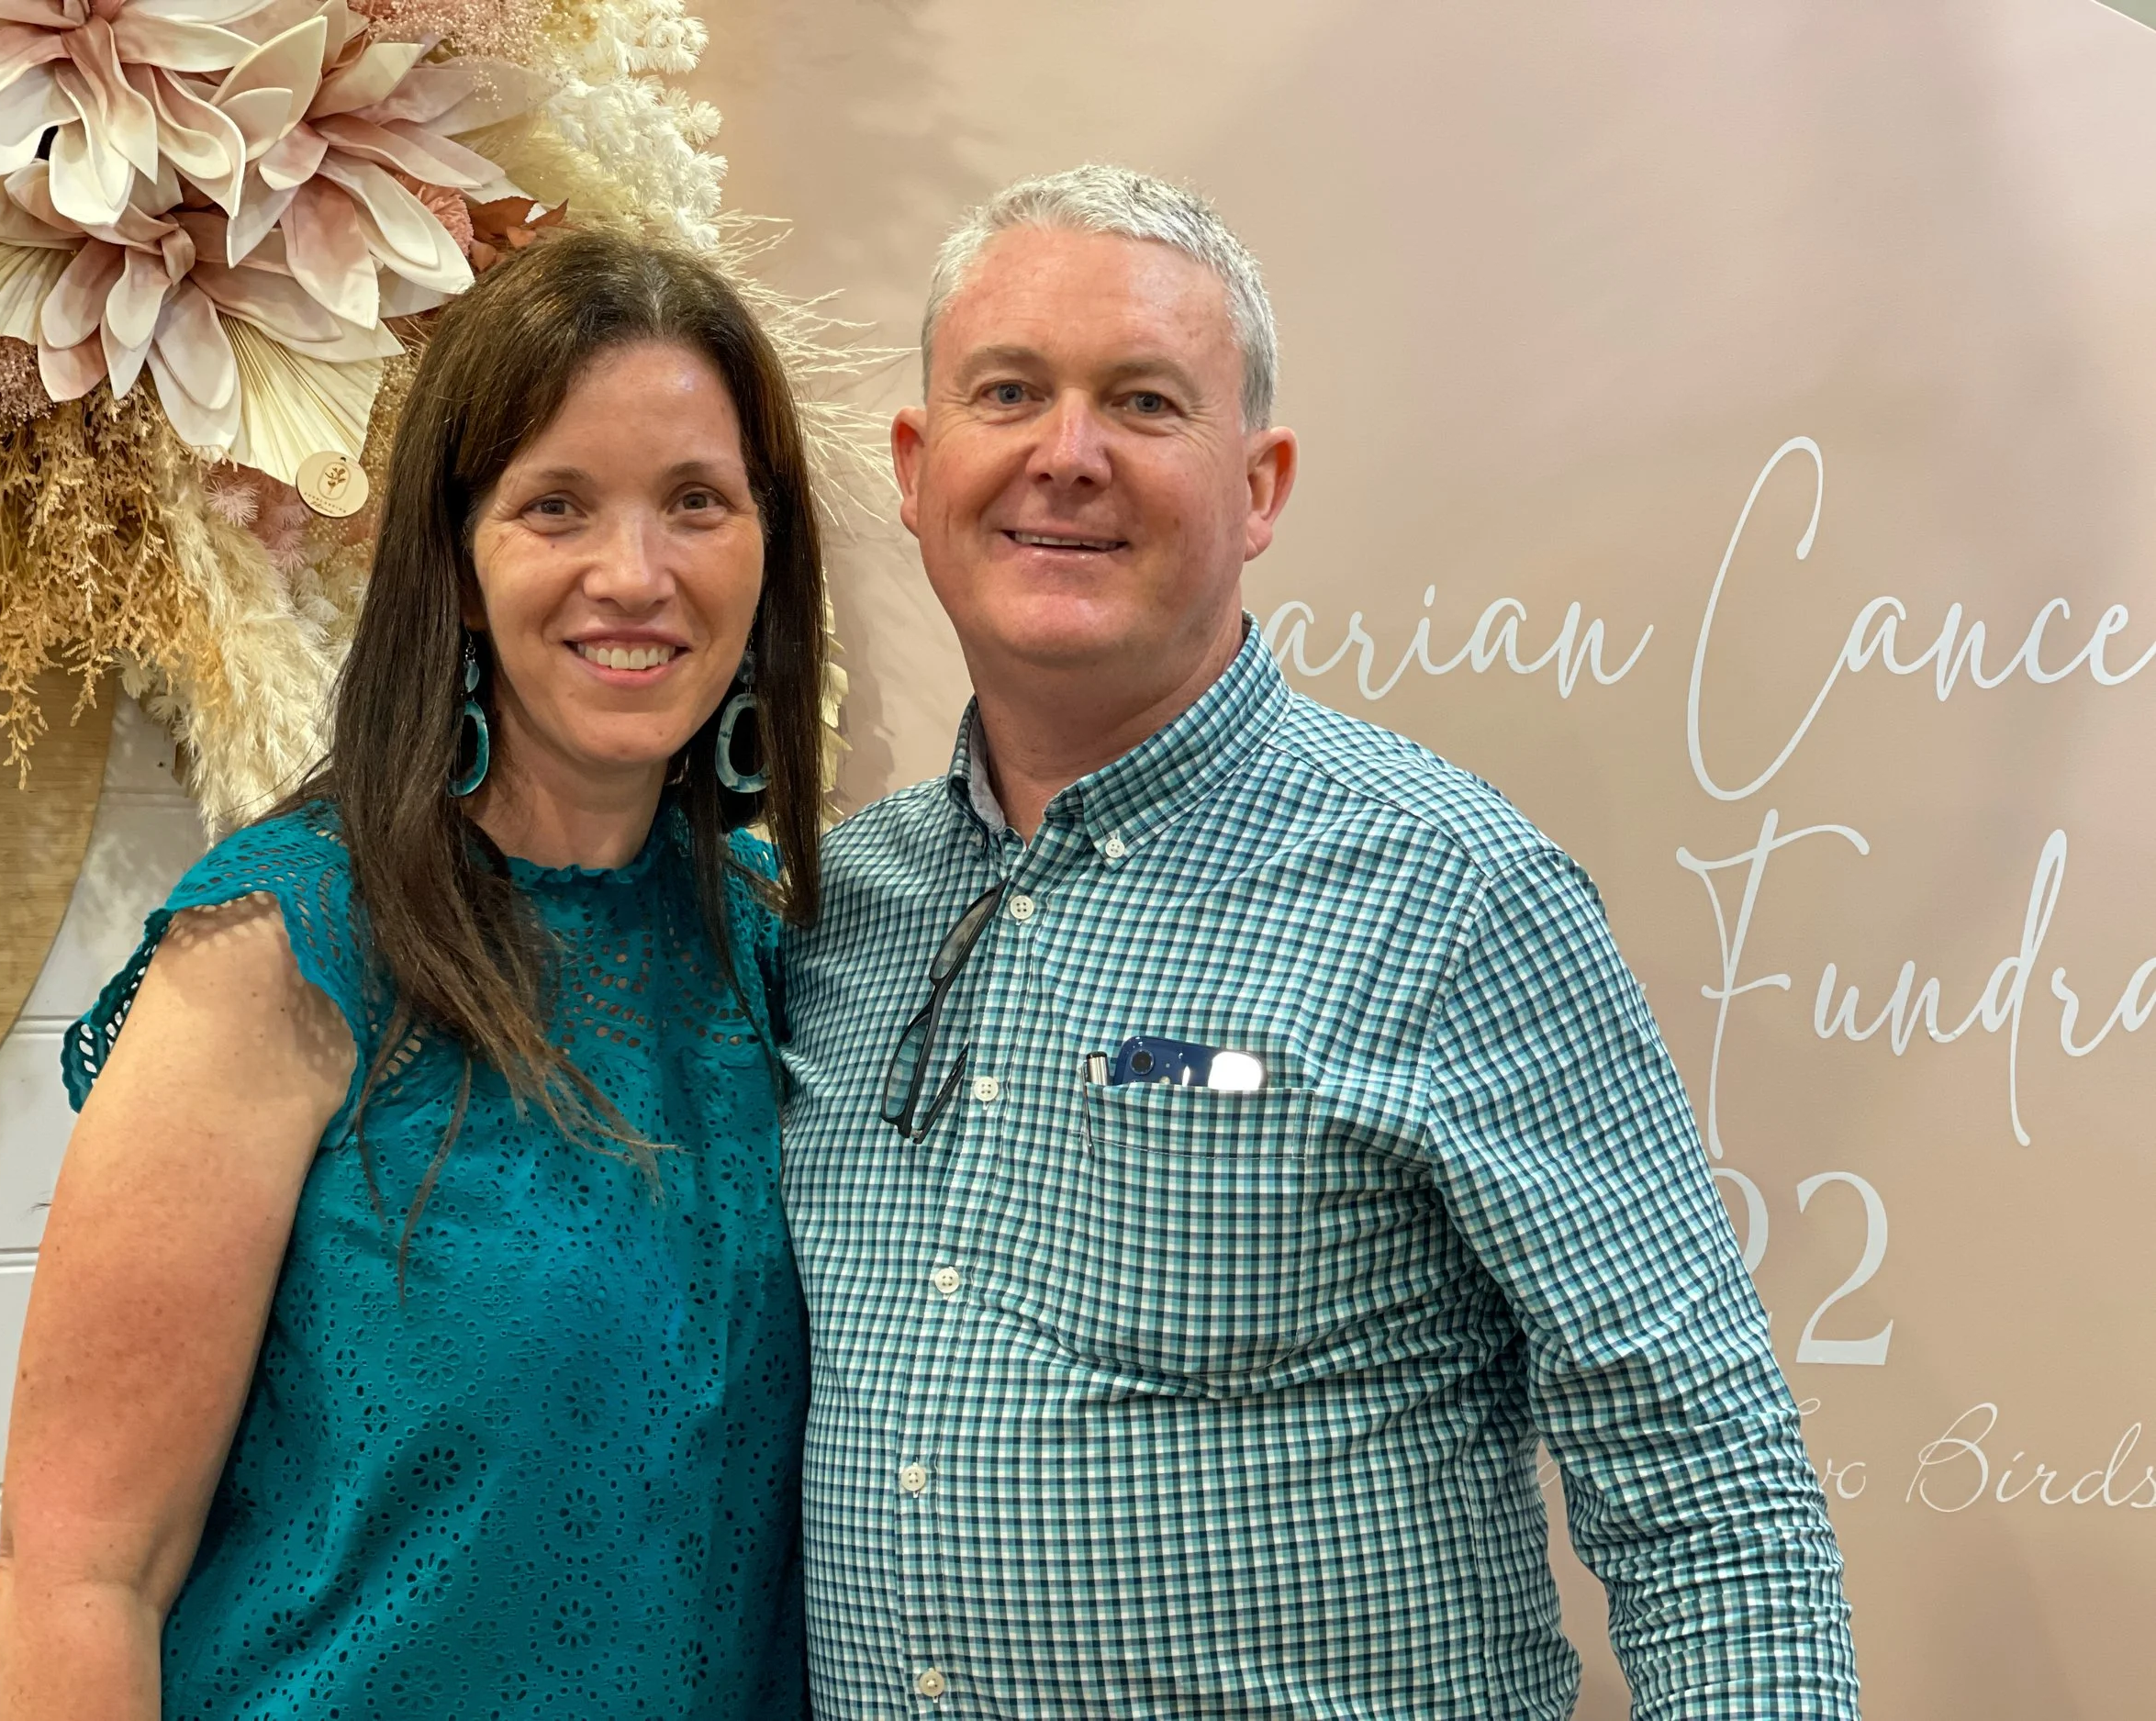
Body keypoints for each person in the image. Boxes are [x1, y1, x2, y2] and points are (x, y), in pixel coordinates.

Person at [780, 164, 1860, 1718]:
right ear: (915, 460)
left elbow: (1708, 1491)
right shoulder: (831, 917)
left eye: (1144, 403)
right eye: (1007, 392)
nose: (1065, 457)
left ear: (1261, 485)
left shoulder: (1455, 895)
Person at [0, 232, 829, 1719]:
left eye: (695, 502)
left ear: (767, 553)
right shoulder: (284, 948)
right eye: (554, 504)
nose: (633, 575)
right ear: (449, 561)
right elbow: (79, 1574)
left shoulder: (774, 946)